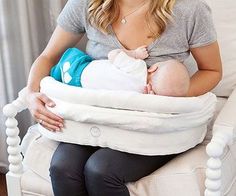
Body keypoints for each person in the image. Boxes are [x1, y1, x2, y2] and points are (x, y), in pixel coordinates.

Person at [26, 0, 222, 195]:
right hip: (97, 116)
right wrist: (31, 94)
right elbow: (48, 57)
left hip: (152, 125)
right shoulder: (86, 3)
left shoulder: (189, 9)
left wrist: (170, 94)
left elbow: (212, 70)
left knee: (101, 170)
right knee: (63, 168)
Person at [50, 46, 190, 96]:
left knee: (64, 62)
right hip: (80, 87)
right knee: (59, 79)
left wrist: (134, 54)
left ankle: (52, 76)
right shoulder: (142, 96)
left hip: (80, 67)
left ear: (153, 68)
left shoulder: (138, 67)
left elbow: (113, 55)